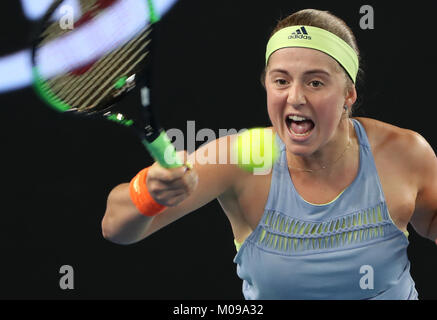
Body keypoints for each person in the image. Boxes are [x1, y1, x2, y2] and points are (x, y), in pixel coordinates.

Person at [101, 9, 437, 299]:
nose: (295, 97)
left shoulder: (403, 152)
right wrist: (148, 191)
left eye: (315, 82)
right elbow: (116, 227)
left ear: (348, 93)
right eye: (281, 81)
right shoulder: (241, 157)